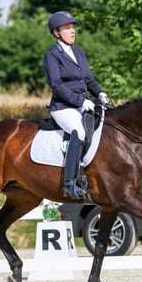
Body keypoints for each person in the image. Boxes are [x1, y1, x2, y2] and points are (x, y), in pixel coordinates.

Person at [43, 11, 113, 199]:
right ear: (56, 33)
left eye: (72, 27)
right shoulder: (52, 55)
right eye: (67, 28)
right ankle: (70, 183)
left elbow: (89, 79)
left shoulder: (78, 52)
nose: (72, 31)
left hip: (83, 104)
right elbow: (56, 86)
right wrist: (81, 101)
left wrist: (100, 93)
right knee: (80, 132)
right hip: (63, 107)